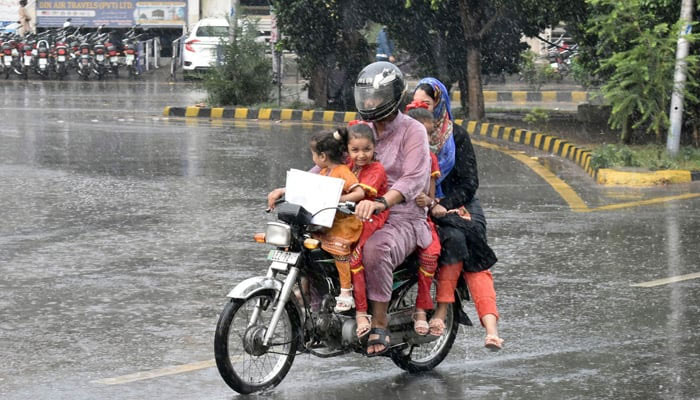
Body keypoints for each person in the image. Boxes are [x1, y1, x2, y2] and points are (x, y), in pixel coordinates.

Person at [412, 77, 503, 350]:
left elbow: (469, 183)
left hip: (457, 203)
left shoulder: (457, 136)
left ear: (439, 104)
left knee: (466, 245)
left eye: (427, 104)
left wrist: (443, 202)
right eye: (416, 105)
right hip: (420, 202)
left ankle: (488, 327)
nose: (422, 111)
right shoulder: (407, 134)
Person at [352, 62, 431, 356]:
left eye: (378, 96)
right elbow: (334, 163)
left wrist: (383, 201)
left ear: (395, 96)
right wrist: (290, 188)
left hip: (403, 216)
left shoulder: (413, 132)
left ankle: (381, 323)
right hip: (360, 210)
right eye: (367, 96)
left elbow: (413, 179)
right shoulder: (361, 130)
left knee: (376, 250)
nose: (370, 102)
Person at [268, 129, 366, 313]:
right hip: (325, 223)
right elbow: (307, 189)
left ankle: (346, 291)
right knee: (302, 247)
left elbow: (359, 192)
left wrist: (339, 199)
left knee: (340, 250)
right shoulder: (323, 172)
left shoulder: (342, 171)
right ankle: (303, 287)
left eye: (313, 154)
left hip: (343, 225)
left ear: (322, 156)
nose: (312, 158)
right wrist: (286, 192)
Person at [343, 121, 390, 338]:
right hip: (348, 217)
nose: (361, 155)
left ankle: (362, 312)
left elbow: (360, 193)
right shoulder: (347, 166)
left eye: (366, 149)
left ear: (374, 148)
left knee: (354, 258)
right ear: (347, 150)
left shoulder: (376, 169)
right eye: (355, 150)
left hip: (371, 216)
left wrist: (332, 196)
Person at [405, 103, 442, 336]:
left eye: (428, 133)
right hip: (388, 217)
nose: (424, 138)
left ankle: (421, 308)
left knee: (430, 253)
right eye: (420, 132)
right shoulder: (394, 153)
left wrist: (426, 202)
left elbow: (432, 197)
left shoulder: (430, 159)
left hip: (418, 220)